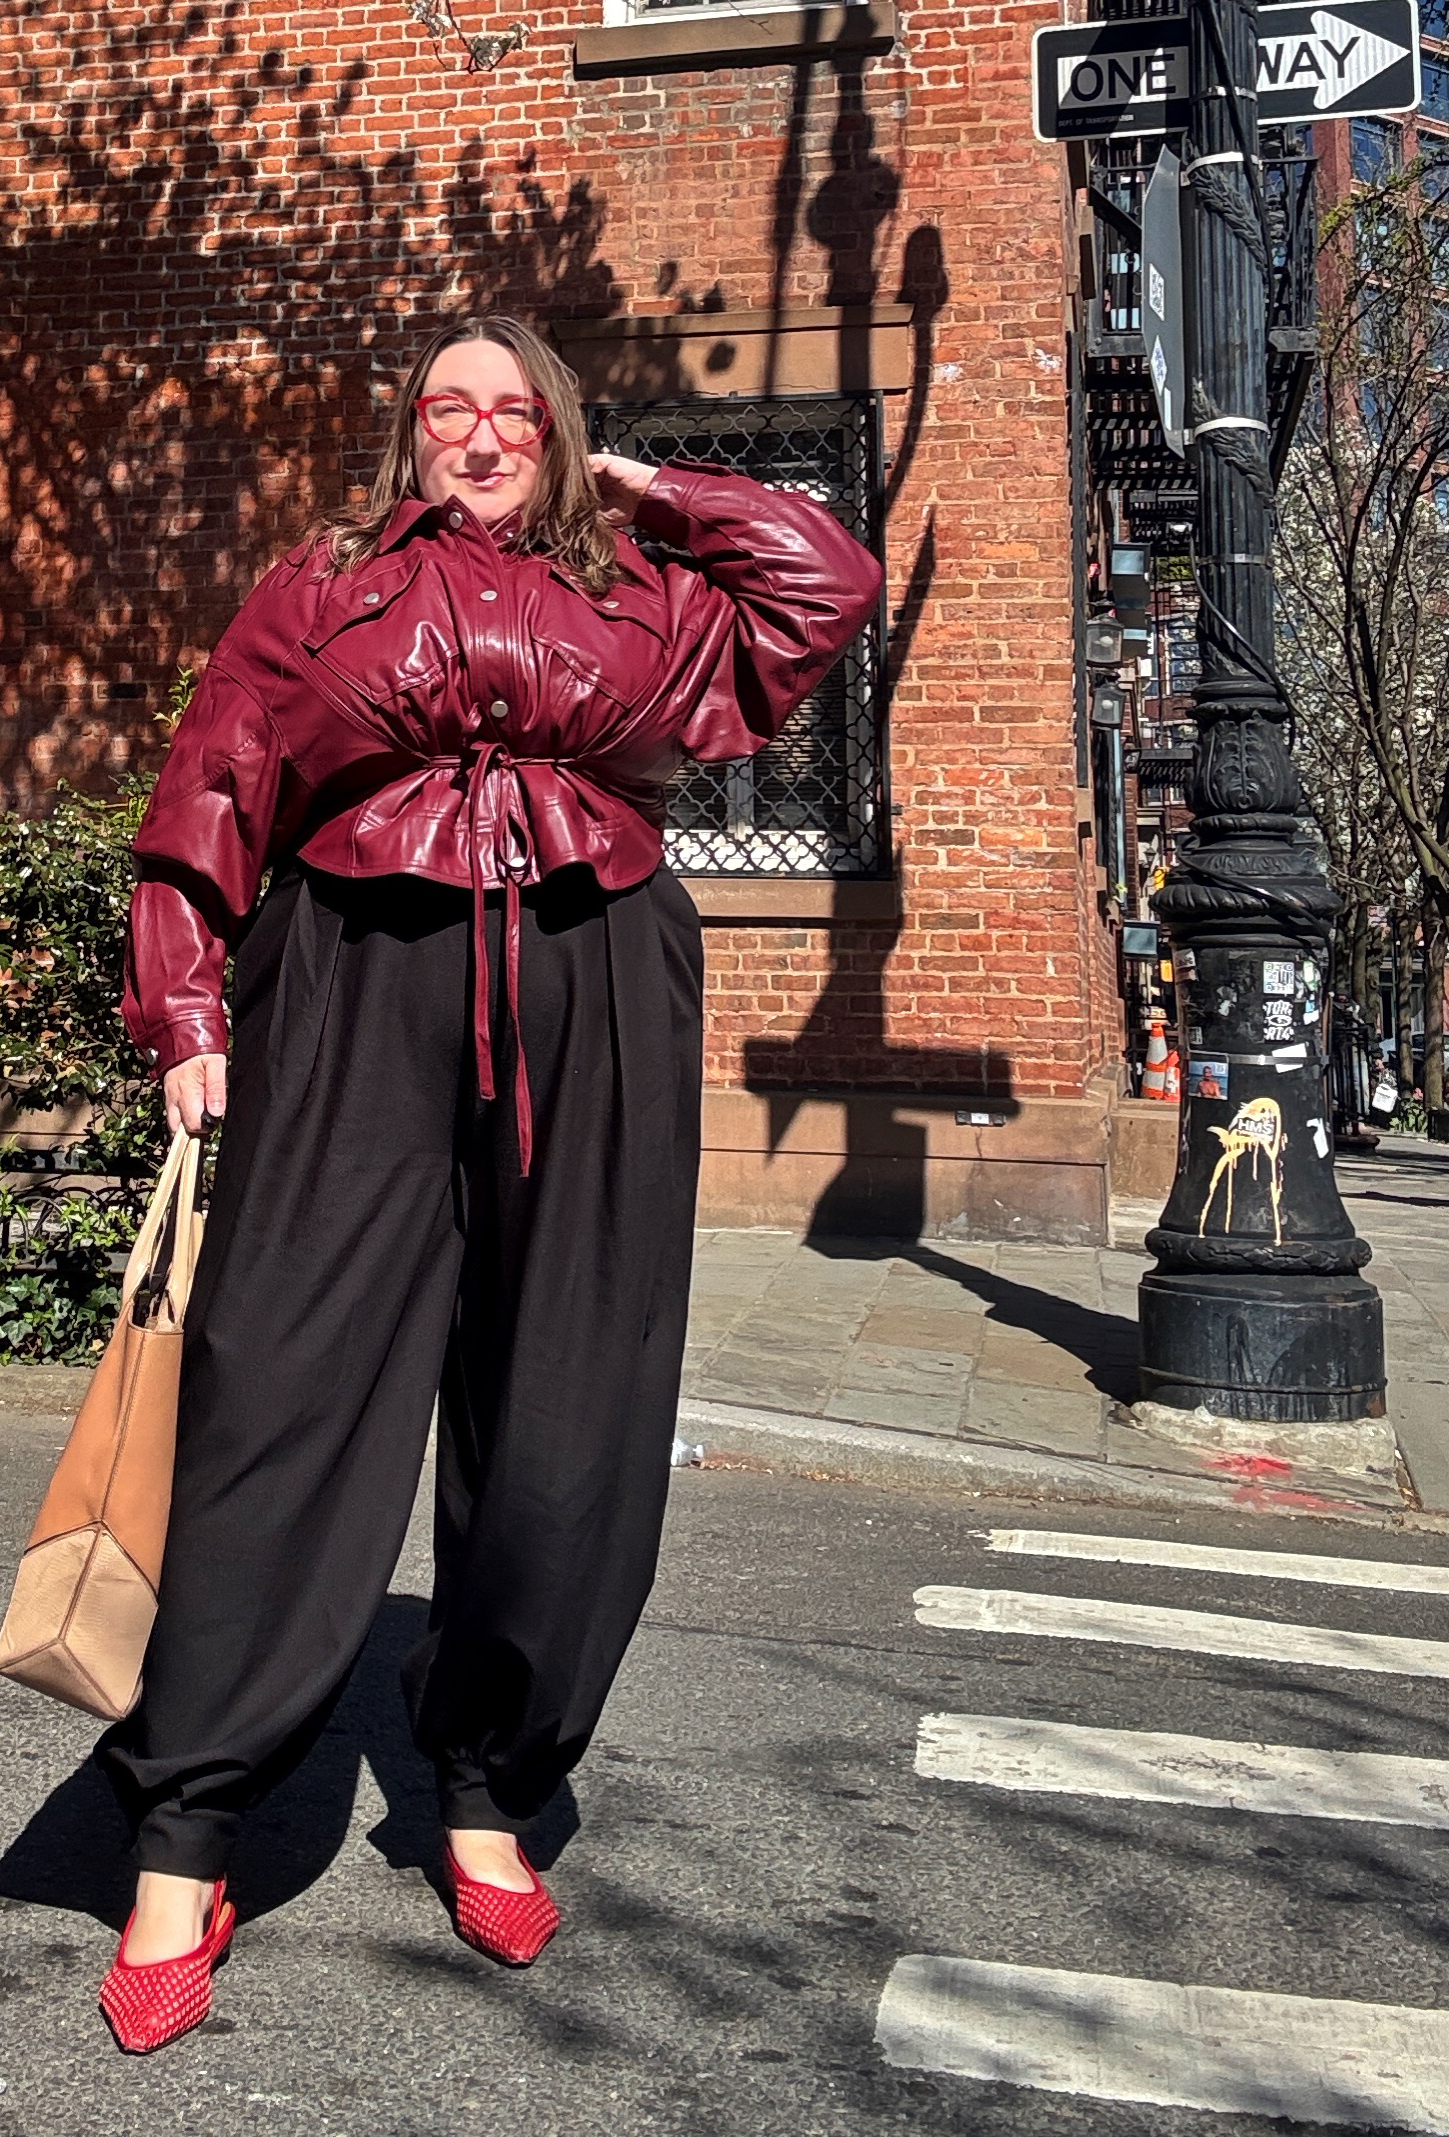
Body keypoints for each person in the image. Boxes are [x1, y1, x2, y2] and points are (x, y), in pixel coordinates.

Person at [96, 313, 882, 2053]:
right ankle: (188, 1832)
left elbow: (827, 582)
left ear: (561, 430)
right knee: (278, 1386)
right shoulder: (321, 584)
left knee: (569, 1416)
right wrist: (185, 1002)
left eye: (517, 410)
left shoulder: (650, 604)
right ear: (408, 436)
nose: (480, 433)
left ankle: (485, 1783)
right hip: (355, 980)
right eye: (448, 407)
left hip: (598, 986)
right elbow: (211, 780)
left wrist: (649, 487)